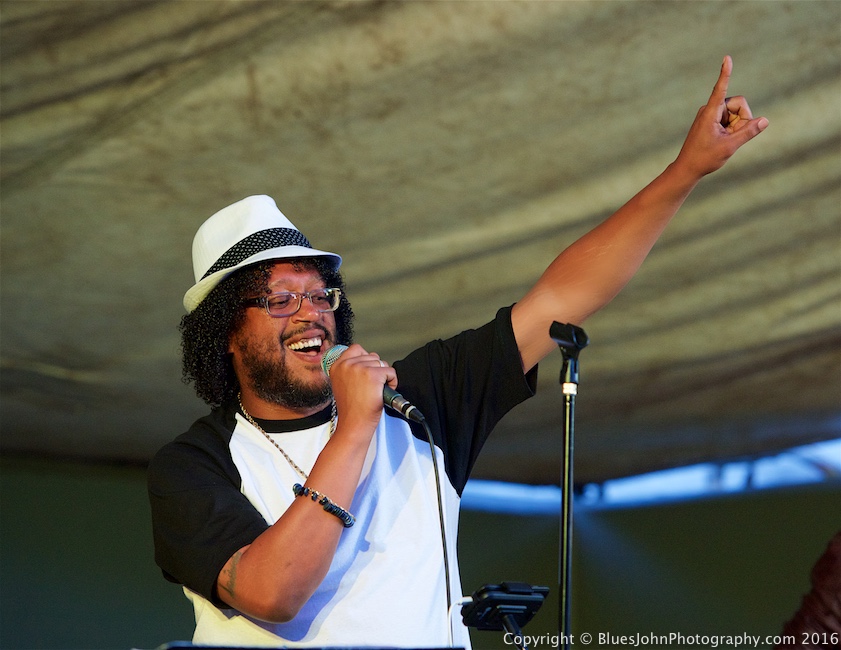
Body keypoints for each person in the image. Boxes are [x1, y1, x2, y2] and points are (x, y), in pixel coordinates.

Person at [148, 56, 767, 648]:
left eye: (320, 294)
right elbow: (274, 592)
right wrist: (355, 427)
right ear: (226, 333)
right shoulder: (194, 466)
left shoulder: (419, 401)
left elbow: (562, 296)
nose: (312, 312)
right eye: (281, 300)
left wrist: (684, 171)